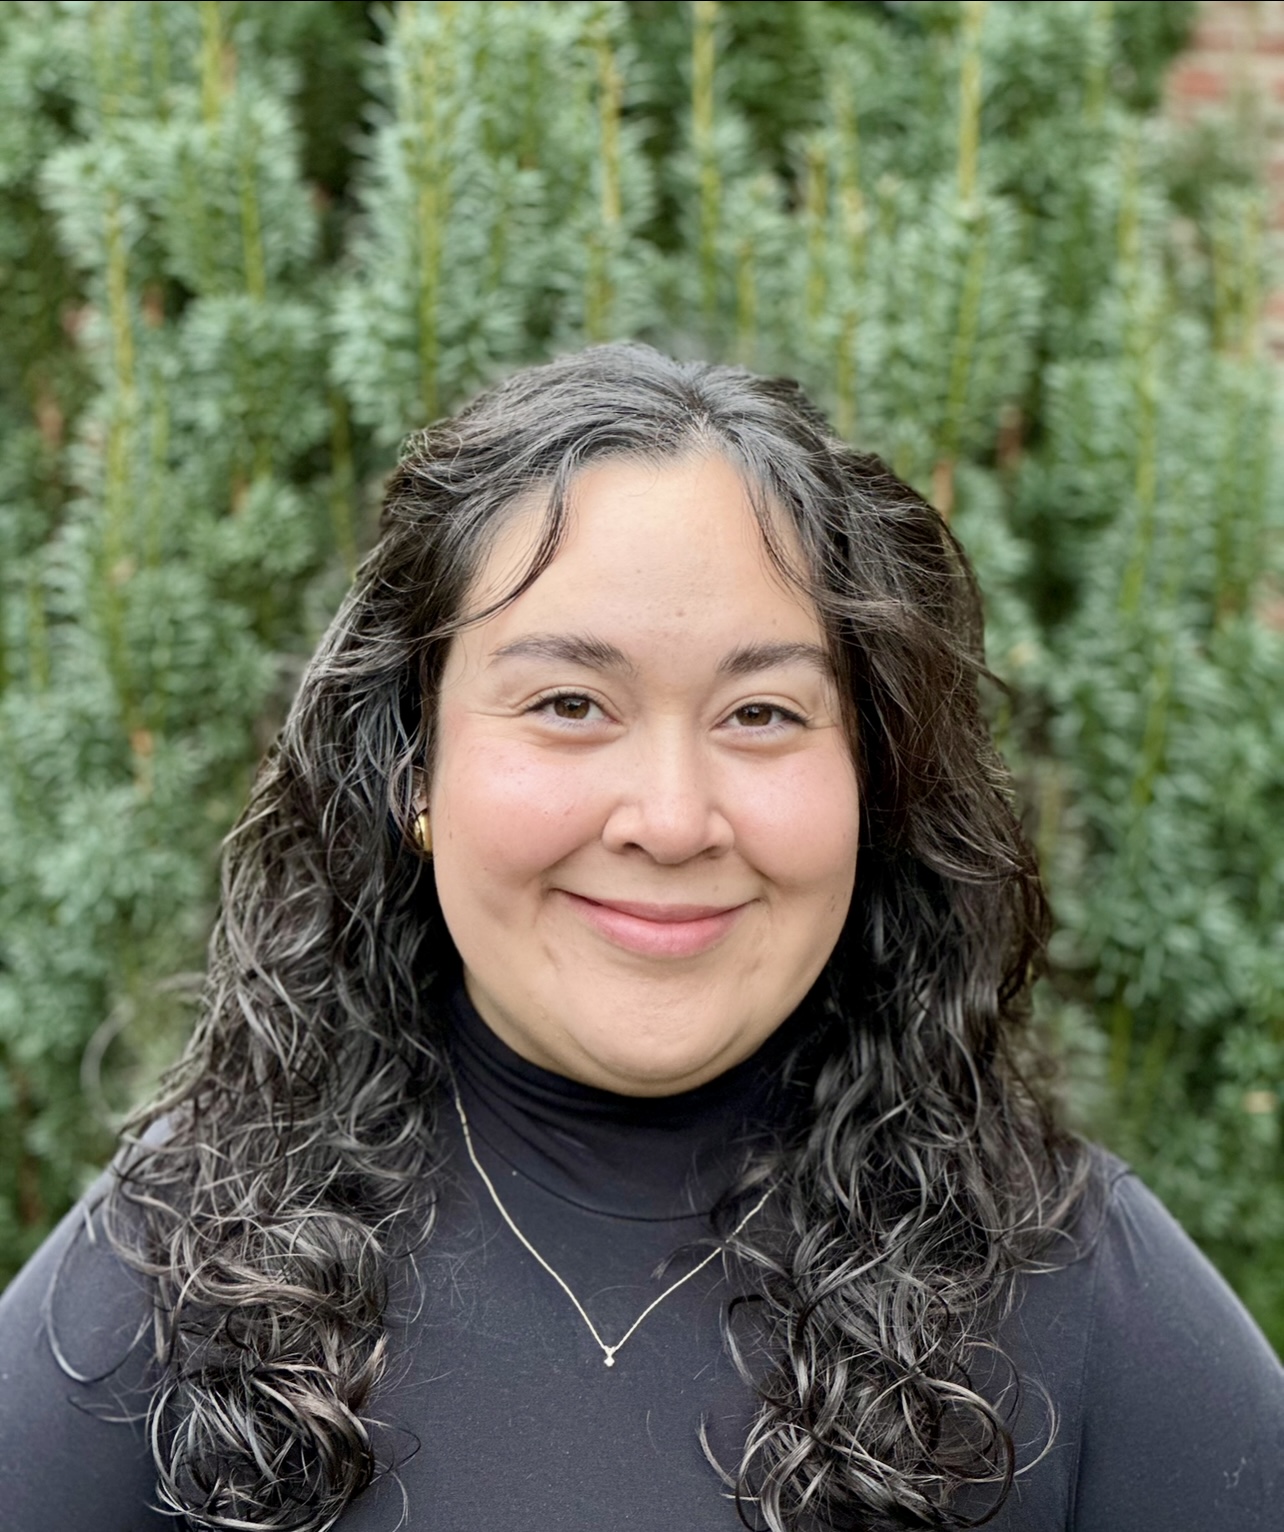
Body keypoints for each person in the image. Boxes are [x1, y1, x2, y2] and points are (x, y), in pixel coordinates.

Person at [0, 344, 1280, 1532]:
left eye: (765, 712)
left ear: (875, 785)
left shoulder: (1076, 1289)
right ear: (413, 772)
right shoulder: (187, 1264)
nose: (672, 819)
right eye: (569, 702)